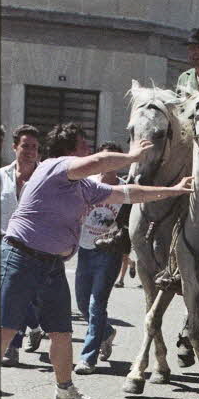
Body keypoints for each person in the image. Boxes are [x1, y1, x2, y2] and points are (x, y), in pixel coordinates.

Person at [1, 123, 193, 399]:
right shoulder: (55, 166)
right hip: (22, 257)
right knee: (4, 329)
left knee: (61, 332)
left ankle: (65, 390)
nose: (89, 149)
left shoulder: (84, 186)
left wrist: (172, 190)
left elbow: (128, 193)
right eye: (84, 145)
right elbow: (99, 161)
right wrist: (132, 156)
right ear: (70, 150)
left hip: (50, 263)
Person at [73, 143, 128, 374]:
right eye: (104, 159)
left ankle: (88, 358)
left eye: (114, 160)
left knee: (96, 305)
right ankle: (106, 332)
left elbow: (131, 222)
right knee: (82, 304)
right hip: (85, 250)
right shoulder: (88, 183)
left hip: (109, 253)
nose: (108, 164)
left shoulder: (125, 189)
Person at [0, 125, 43, 364]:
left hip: (34, 246)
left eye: (34, 147)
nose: (30, 151)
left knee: (23, 296)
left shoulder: (45, 178)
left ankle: (29, 332)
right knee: (10, 296)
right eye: (25, 146)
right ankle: (18, 342)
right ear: (14, 147)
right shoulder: (0, 175)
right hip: (2, 243)